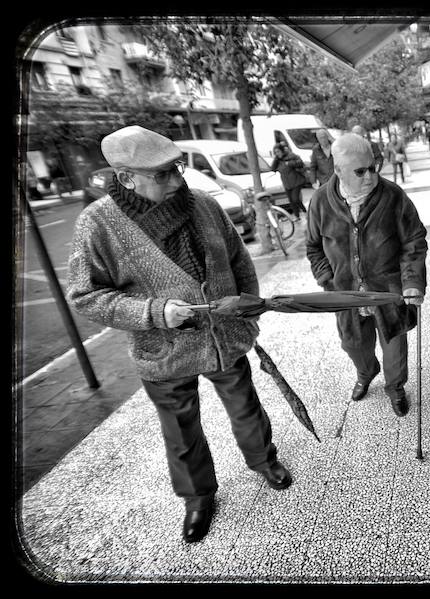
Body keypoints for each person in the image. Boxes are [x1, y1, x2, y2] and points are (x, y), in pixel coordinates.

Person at [65, 125, 293, 544]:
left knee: (245, 406)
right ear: (126, 177)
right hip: (162, 350)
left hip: (224, 337)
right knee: (181, 428)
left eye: (177, 169)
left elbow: (239, 261)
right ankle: (198, 497)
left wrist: (247, 310)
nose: (176, 181)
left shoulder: (204, 205)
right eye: (162, 174)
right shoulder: (97, 224)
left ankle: (264, 461)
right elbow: (84, 295)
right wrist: (152, 312)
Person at [306, 133, 427, 417]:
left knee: (395, 349)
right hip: (345, 294)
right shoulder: (321, 201)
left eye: (373, 167)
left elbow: (414, 241)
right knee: (353, 344)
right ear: (338, 171)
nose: (370, 176)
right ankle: (366, 371)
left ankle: (395, 387)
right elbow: (313, 247)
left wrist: (411, 282)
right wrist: (328, 280)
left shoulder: (393, 196)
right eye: (360, 171)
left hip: (387, 292)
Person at [270, 141, 307, 218]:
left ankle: (304, 211)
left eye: (278, 151)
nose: (277, 153)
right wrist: (276, 159)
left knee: (295, 199)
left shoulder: (291, 156)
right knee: (291, 201)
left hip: (297, 181)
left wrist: (290, 163)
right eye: (275, 152)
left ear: (282, 150)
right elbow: (272, 169)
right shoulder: (277, 161)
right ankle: (297, 216)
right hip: (287, 183)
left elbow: (300, 163)